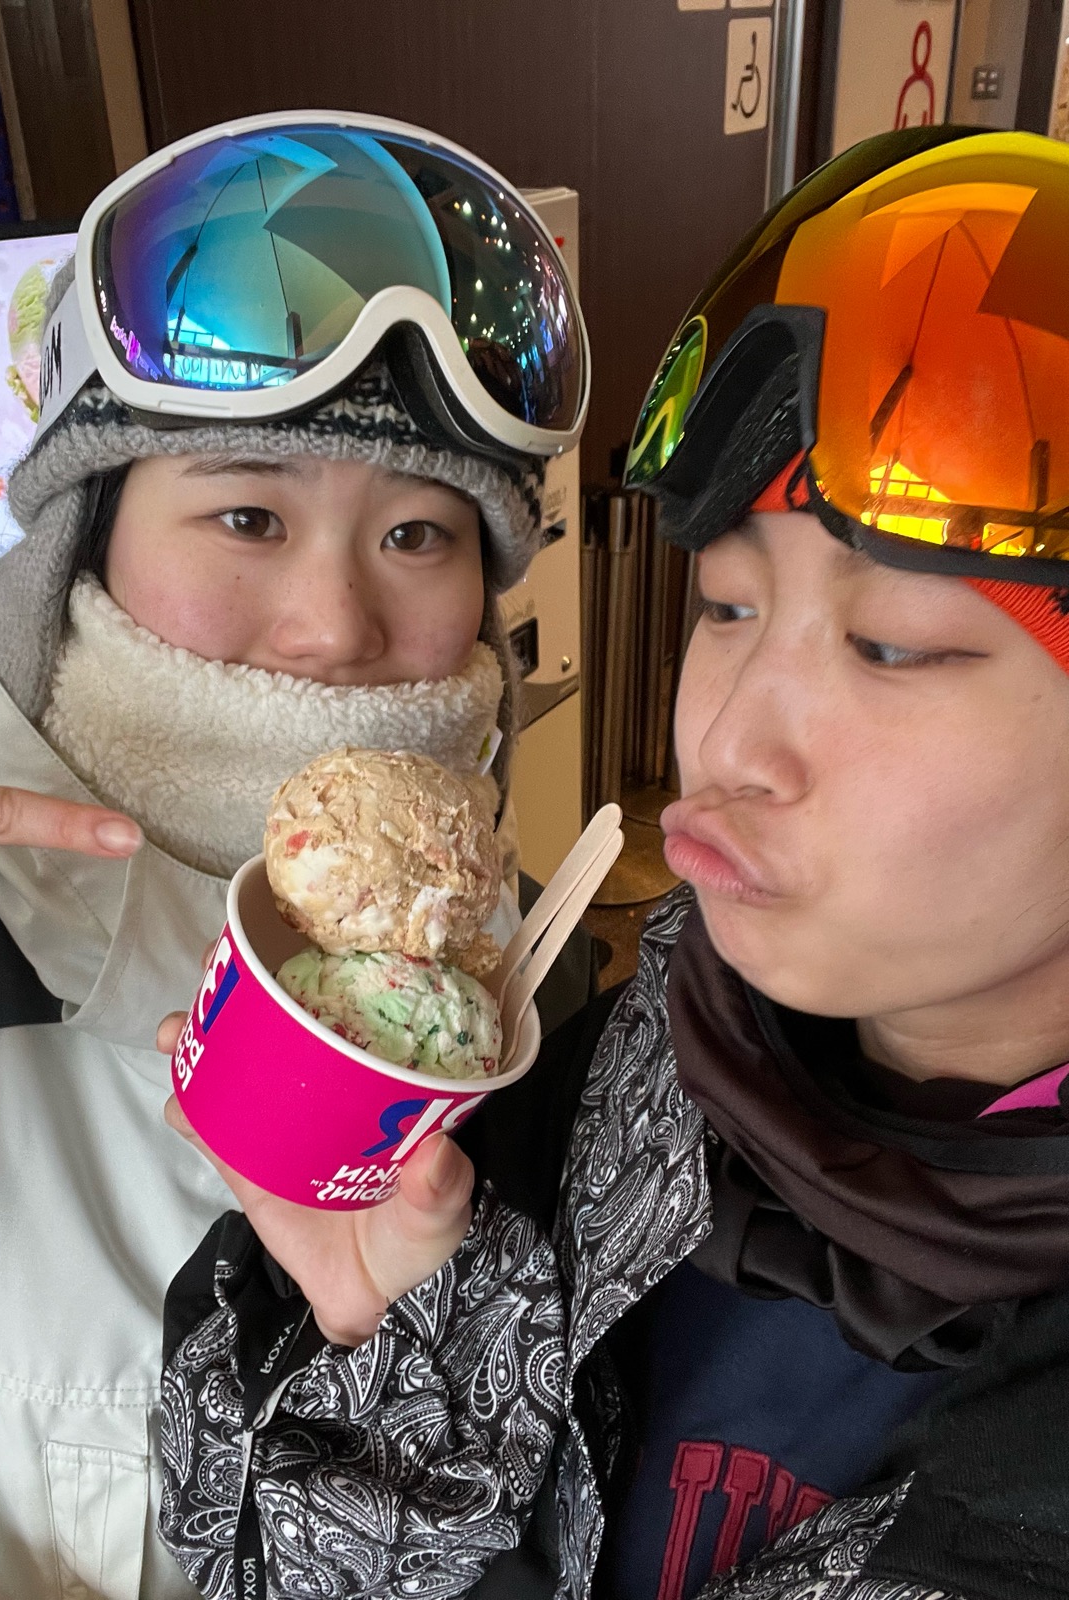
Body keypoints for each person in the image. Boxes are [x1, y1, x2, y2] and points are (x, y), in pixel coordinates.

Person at [159, 126, 1069, 1600]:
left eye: (893, 642)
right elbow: (239, 1559)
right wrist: (362, 1361)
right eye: (726, 607)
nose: (729, 740)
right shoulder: (625, 1079)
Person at [0, 112, 589, 1598]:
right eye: (248, 513)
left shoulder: (511, 992)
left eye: (418, 537)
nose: (334, 627)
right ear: (85, 542)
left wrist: (398, 1371)